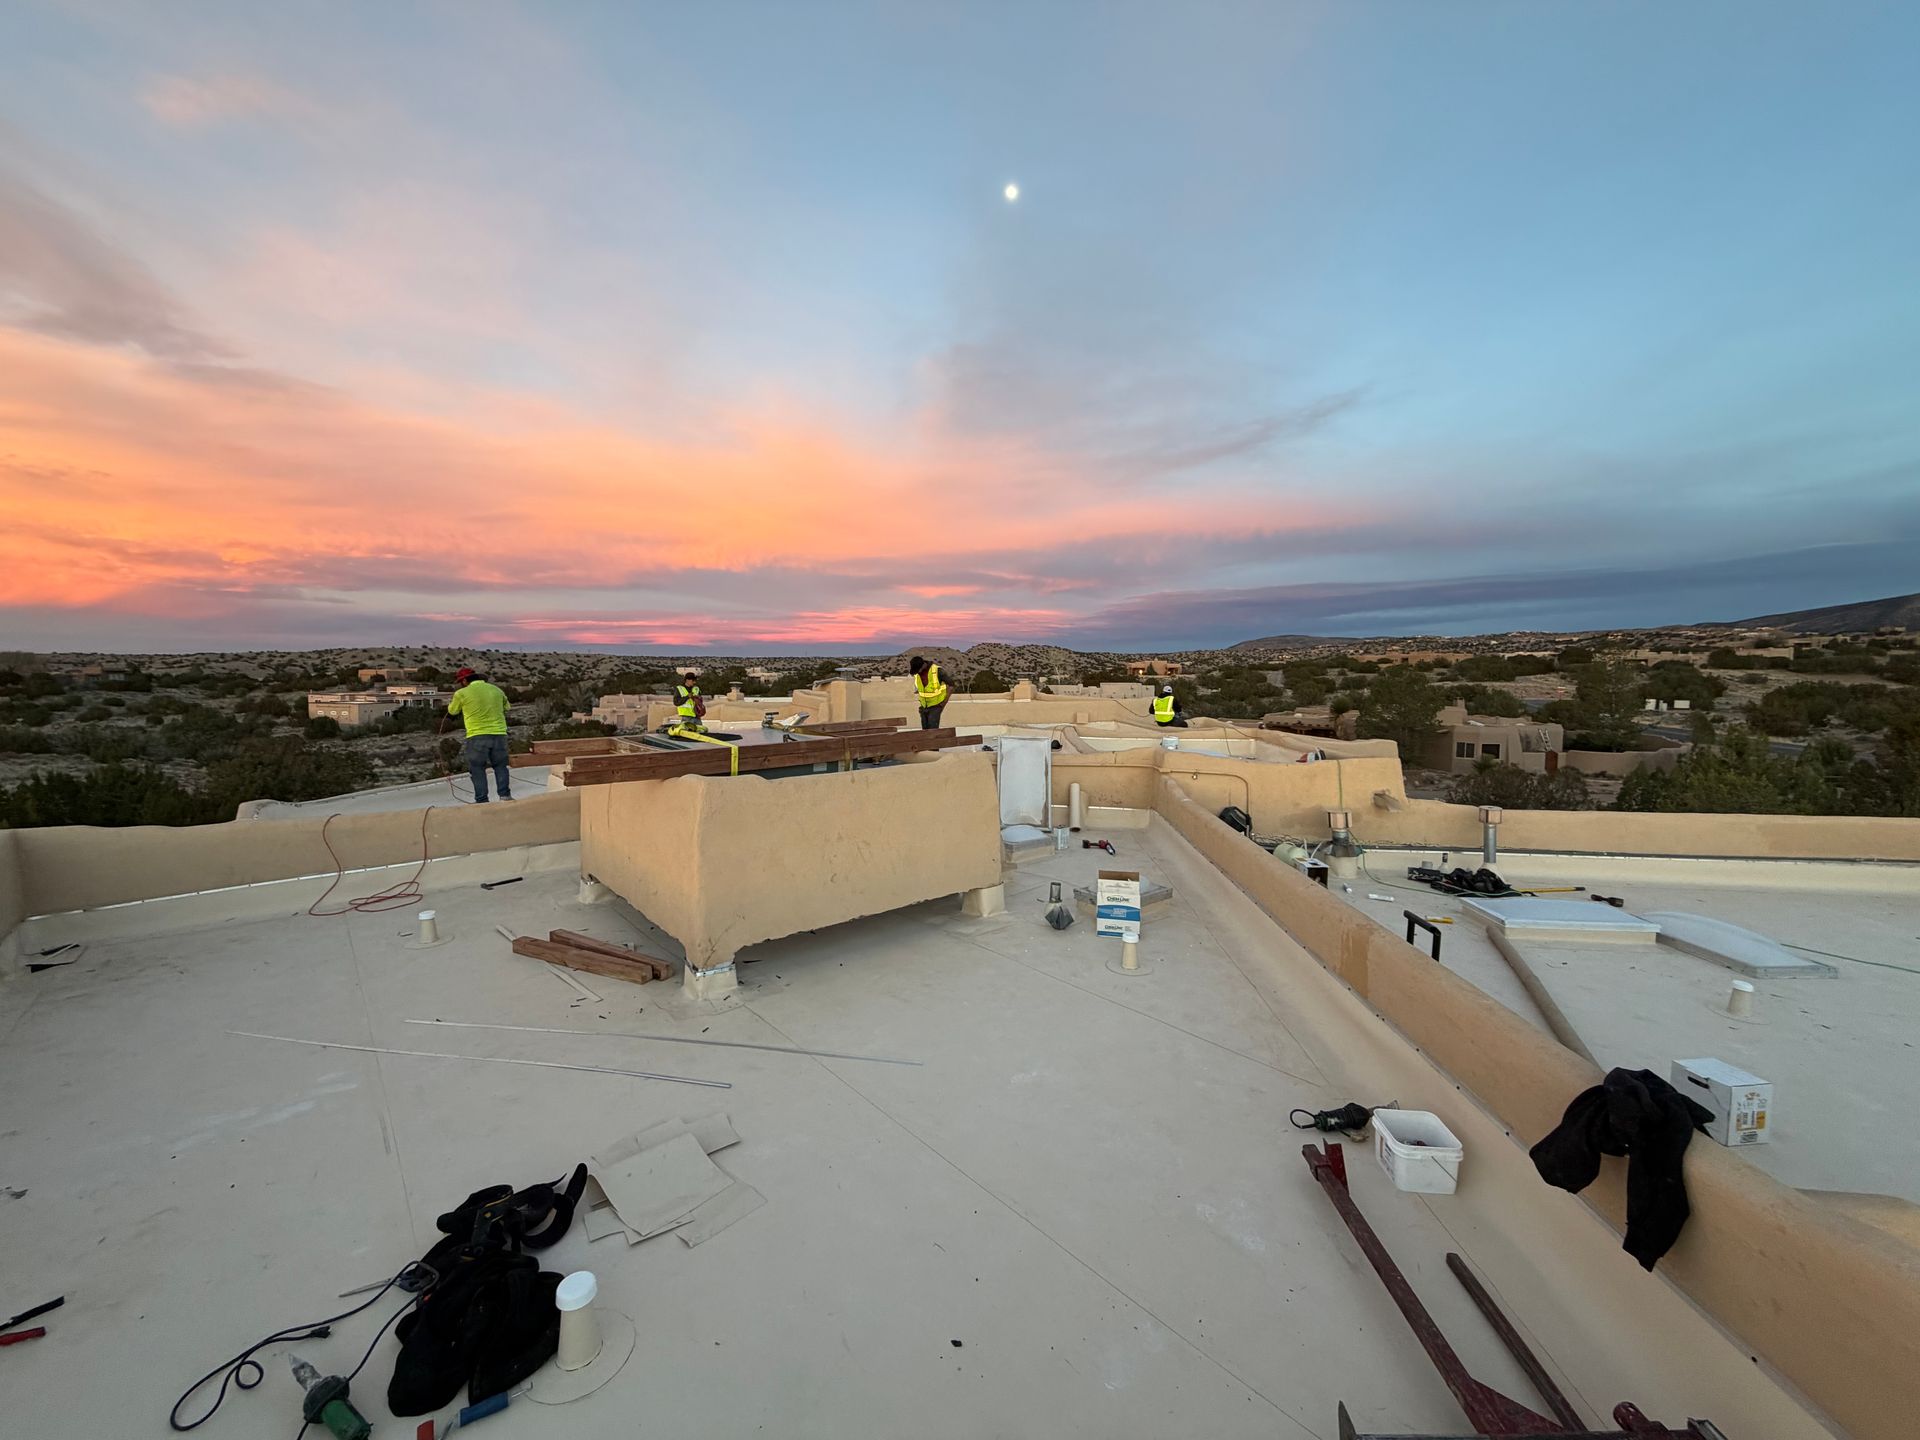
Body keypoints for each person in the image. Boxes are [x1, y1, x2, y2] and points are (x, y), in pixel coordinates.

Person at [448, 667, 512, 802]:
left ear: (464, 680)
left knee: (477, 769)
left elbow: (453, 711)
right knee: (500, 766)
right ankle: (505, 796)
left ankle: (482, 801)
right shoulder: (496, 689)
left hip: (477, 735)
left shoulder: (461, 693)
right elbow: (507, 707)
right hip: (499, 734)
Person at [909, 655, 948, 729]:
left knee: (932, 731)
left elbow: (951, 686)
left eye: (918, 670)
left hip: (935, 706)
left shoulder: (937, 671)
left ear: (923, 665)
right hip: (924, 707)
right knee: (925, 732)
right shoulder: (917, 675)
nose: (918, 672)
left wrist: (943, 704)